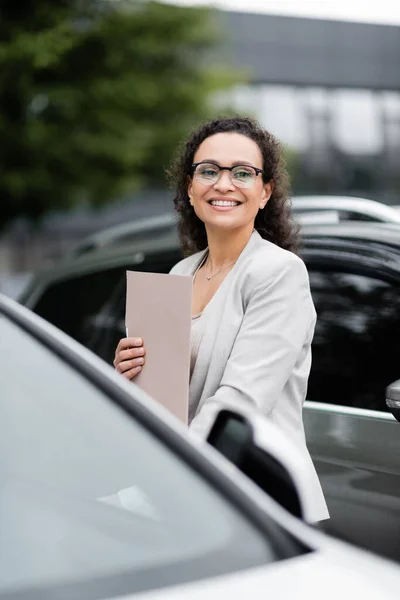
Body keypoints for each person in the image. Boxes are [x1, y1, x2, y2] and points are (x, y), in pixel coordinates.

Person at [114, 115, 329, 521]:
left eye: (243, 173)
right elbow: (167, 403)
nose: (224, 183)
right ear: (191, 190)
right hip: (188, 495)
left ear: (265, 192)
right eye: (208, 171)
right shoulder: (181, 274)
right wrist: (130, 375)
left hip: (256, 502)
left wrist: (165, 480)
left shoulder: (278, 272)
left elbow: (239, 405)